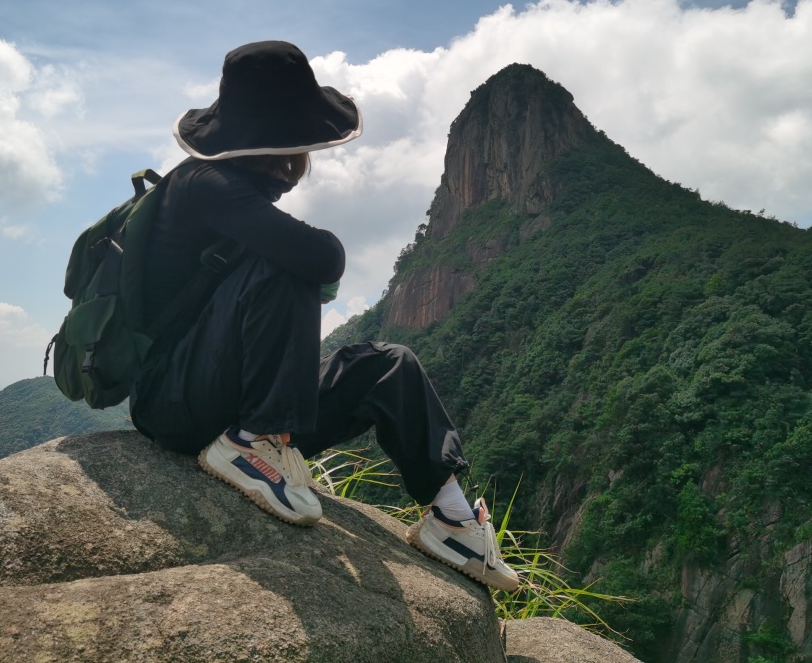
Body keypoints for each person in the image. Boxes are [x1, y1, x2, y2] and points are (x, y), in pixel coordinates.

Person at [128, 40, 519, 592]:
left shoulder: (234, 190)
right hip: (174, 403)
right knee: (290, 264)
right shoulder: (204, 185)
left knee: (389, 365)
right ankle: (250, 443)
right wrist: (308, 273)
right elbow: (321, 256)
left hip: (223, 392)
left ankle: (453, 519)